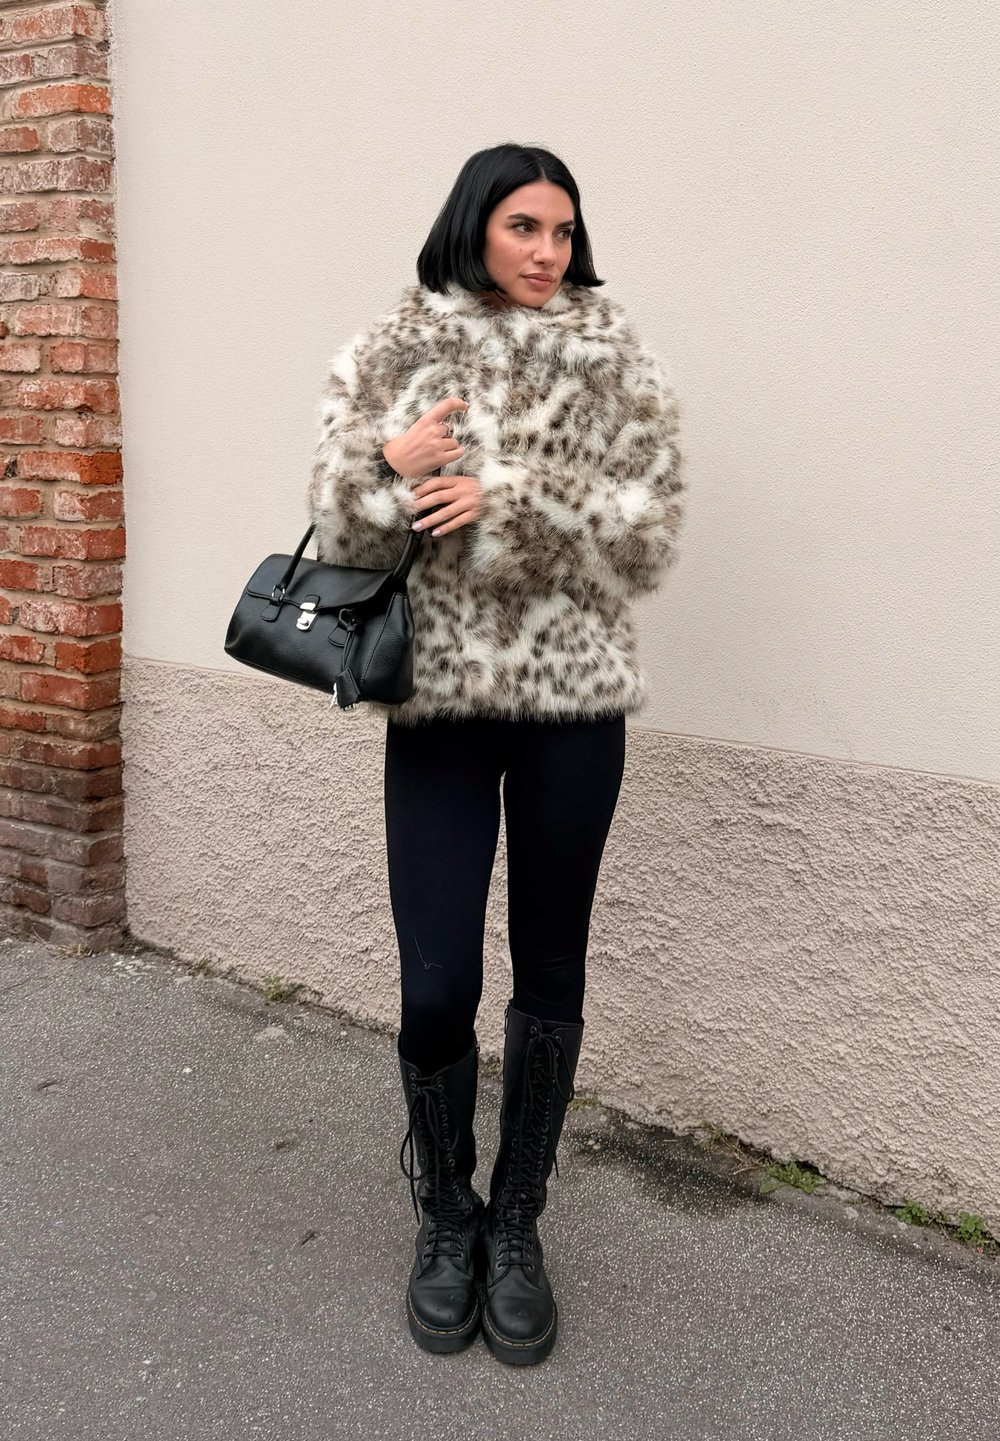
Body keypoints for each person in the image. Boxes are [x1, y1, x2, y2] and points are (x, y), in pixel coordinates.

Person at [307, 143, 685, 1365]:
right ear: (474, 225)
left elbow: (649, 536)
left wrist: (512, 496)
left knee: (549, 970)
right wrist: (385, 472)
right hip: (441, 711)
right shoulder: (389, 351)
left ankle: (515, 1222)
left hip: (575, 705)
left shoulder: (615, 355)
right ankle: (444, 1212)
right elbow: (337, 526)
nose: (545, 252)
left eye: (563, 232)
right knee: (434, 983)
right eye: (523, 226)